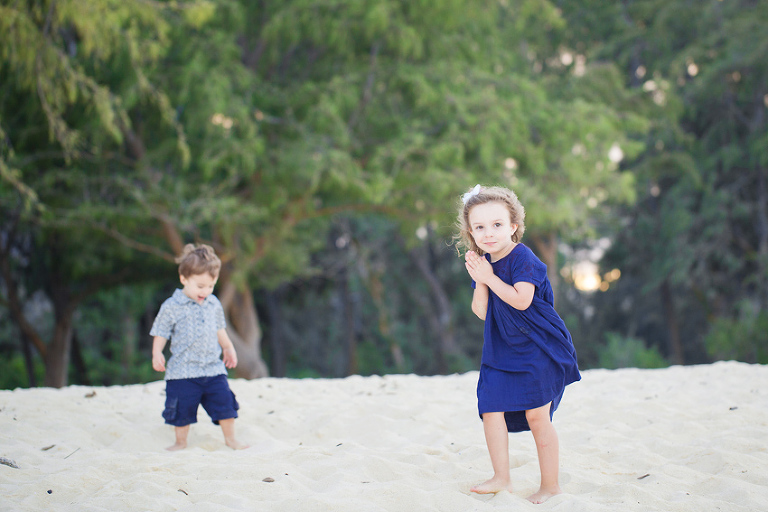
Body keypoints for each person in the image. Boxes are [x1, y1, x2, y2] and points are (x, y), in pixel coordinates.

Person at [456, 184, 580, 504]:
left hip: (537, 346)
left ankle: (551, 485)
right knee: (490, 407)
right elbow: (481, 311)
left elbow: (521, 301)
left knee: (538, 416)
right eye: (480, 227)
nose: (489, 233)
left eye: (497, 225)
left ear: (513, 226)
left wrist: (489, 277)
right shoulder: (484, 262)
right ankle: (502, 477)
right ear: (471, 232)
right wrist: (481, 279)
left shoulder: (521, 256)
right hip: (501, 348)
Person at [150, 243, 247, 451]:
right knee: (181, 410)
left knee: (225, 404)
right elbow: (161, 331)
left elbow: (220, 329)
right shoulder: (171, 306)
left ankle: (231, 440)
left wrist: (228, 348)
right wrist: (156, 352)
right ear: (184, 279)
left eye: (211, 286)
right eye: (200, 286)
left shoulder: (213, 304)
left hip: (212, 368)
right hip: (183, 372)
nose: (206, 291)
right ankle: (180, 442)